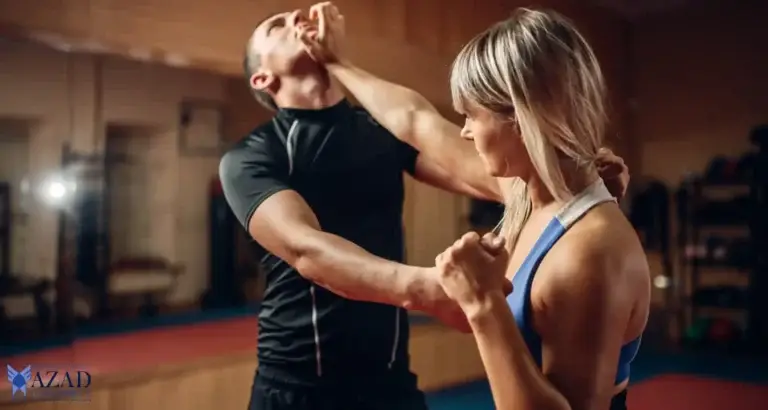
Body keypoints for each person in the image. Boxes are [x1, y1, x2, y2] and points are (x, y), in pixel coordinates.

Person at [220, 7, 631, 410]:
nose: (296, 18)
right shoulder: (251, 158)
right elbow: (306, 251)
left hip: (389, 379)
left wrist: (572, 169)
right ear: (262, 77)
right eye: (276, 25)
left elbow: (460, 151)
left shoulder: (377, 130)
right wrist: (439, 287)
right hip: (298, 383)